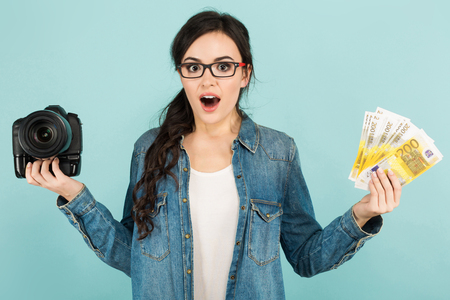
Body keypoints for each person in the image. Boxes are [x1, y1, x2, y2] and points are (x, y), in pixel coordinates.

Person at [25, 10, 401, 300]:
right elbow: (132, 258)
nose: (208, 80)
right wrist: (76, 196)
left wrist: (363, 213)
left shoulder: (278, 153)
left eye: (223, 67)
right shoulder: (149, 150)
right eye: (193, 67)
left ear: (244, 75)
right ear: (181, 74)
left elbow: (306, 257)